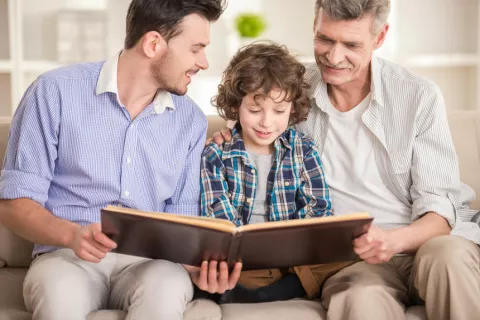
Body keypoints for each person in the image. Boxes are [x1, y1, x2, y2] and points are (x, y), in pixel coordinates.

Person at [211, 0, 480, 319]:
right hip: (353, 259)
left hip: (420, 239)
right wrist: (230, 137)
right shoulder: (292, 90)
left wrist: (392, 241)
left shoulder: (418, 96)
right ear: (314, 26)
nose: (334, 57)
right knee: (360, 296)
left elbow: (440, 210)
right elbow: (249, 120)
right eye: (325, 39)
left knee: (448, 256)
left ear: (380, 38)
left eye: (351, 44)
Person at [0, 1, 242, 319]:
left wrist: (198, 270)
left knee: (168, 285)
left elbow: (183, 223)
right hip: (67, 257)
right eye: (196, 49)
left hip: (151, 264)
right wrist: (70, 234)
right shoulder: (54, 92)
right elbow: (13, 204)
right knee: (59, 291)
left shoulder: (190, 122)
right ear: (154, 44)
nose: (204, 62)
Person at [199, 42, 351, 303]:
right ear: (235, 107)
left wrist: (293, 244)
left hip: (293, 258)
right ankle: (275, 288)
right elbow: (217, 216)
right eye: (255, 110)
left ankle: (273, 290)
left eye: (279, 111)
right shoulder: (216, 154)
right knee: (217, 267)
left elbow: (319, 209)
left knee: (347, 254)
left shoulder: (302, 149)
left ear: (292, 108)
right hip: (243, 260)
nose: (267, 122)